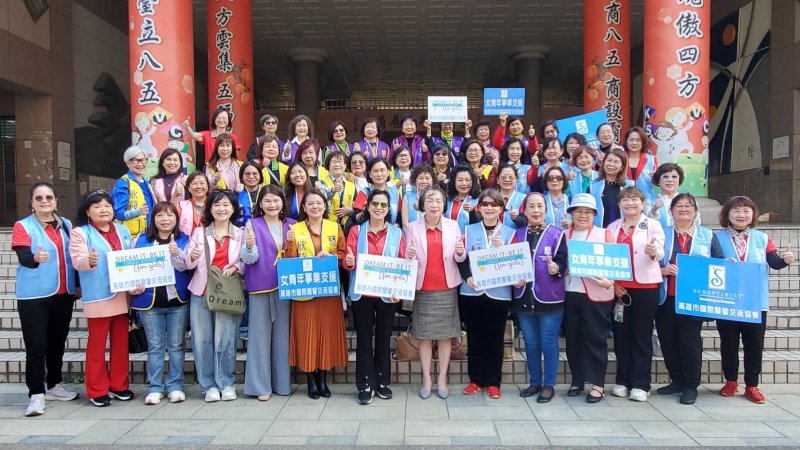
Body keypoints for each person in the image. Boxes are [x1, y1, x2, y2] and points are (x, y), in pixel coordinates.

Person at [715, 195, 794, 404]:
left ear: (753, 215)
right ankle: (731, 380)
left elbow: (774, 262)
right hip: (727, 301)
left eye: (746, 211)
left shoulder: (762, 238)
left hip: (755, 301)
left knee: (754, 344)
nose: (741, 215)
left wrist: (785, 260)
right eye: (736, 211)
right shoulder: (717, 237)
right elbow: (709, 265)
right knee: (728, 343)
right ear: (727, 215)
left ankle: (752, 385)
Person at [12, 182, 79, 416]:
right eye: (39, 198)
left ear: (56, 200)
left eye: (49, 197)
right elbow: (23, 256)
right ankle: (36, 394)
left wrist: (78, 285)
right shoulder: (23, 226)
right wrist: (34, 258)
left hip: (63, 293)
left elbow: (73, 257)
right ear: (32, 202)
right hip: (34, 296)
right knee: (36, 346)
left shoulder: (67, 225)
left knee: (57, 343)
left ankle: (54, 384)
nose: (44, 201)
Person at [69, 190, 136, 407]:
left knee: (120, 342)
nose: (104, 209)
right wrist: (87, 259)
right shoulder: (81, 233)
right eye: (97, 206)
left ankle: (119, 384)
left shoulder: (123, 230)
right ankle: (97, 389)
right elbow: (77, 261)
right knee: (97, 344)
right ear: (87, 211)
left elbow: (132, 258)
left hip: (123, 294)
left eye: (107, 205)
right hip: (98, 294)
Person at [656, 193, 722, 405]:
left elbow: (718, 264)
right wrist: (662, 269)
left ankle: (691, 385)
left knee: (690, 342)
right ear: (671, 211)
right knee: (667, 340)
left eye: (688, 206)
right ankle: (677, 379)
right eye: (678, 206)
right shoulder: (662, 234)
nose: (683, 209)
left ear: (695, 211)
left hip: (693, 299)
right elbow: (647, 261)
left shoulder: (708, 236)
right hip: (666, 296)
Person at [284, 189, 348, 399]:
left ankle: (323, 378)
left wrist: (331, 255)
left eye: (319, 203)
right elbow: (289, 261)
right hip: (304, 292)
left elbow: (344, 254)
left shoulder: (334, 226)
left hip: (327, 291)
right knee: (307, 334)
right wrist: (290, 243)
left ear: (325, 206)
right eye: (310, 203)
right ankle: (310, 380)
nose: (315, 207)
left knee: (326, 334)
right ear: (303, 207)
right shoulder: (295, 228)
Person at [344, 190, 406, 405]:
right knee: (363, 338)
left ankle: (382, 381)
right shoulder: (355, 231)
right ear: (368, 206)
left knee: (383, 336)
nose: (379, 208)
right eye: (375, 204)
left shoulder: (397, 234)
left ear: (389, 209)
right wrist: (349, 261)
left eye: (383, 205)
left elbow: (402, 263)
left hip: (387, 295)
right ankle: (365, 383)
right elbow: (347, 262)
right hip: (362, 293)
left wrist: (401, 287)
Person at [405, 186, 466, 399]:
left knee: (445, 338)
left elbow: (459, 257)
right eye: (430, 200)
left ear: (444, 205)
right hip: (423, 288)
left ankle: (442, 380)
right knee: (424, 337)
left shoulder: (453, 225)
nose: (434, 204)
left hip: (447, 288)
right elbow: (408, 258)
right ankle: (426, 380)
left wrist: (460, 252)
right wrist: (409, 255)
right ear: (422, 204)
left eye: (439, 201)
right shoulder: (413, 227)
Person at [184, 189, 245, 402]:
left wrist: (237, 267)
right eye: (217, 205)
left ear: (233, 209)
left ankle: (226, 382)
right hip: (202, 291)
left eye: (226, 205)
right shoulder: (198, 233)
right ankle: (208, 386)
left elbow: (246, 260)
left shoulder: (240, 233)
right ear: (210, 208)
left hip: (227, 291)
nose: (222, 209)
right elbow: (187, 263)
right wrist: (191, 256)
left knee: (226, 339)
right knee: (202, 340)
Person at [130, 202, 192, 405]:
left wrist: (176, 253)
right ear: (153, 218)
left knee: (176, 346)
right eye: (160, 215)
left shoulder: (185, 239)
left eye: (170, 215)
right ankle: (155, 387)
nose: (165, 219)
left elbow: (189, 267)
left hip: (178, 301)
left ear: (176, 219)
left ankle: (175, 385)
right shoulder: (140, 240)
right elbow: (130, 268)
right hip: (149, 302)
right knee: (155, 346)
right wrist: (132, 287)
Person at [607, 186, 665, 402]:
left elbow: (660, 251)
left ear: (643, 203)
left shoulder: (653, 225)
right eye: (625, 200)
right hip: (619, 289)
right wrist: (612, 284)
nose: (630, 203)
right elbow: (606, 259)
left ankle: (641, 384)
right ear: (620, 204)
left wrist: (654, 252)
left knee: (641, 336)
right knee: (621, 336)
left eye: (634, 200)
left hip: (646, 288)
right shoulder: (612, 228)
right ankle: (623, 379)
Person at [458, 189, 517, 399]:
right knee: (475, 336)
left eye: (494, 205)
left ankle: (493, 382)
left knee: (495, 337)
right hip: (472, 291)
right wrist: (467, 277)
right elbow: (461, 258)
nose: (489, 208)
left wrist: (503, 250)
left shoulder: (510, 233)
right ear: (479, 208)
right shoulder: (468, 229)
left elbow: (516, 264)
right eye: (485, 204)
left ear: (501, 208)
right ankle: (475, 379)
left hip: (499, 294)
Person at [240, 185, 295, 401]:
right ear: (260, 204)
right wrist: (249, 246)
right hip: (260, 285)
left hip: (286, 285)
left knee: (282, 337)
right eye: (267, 201)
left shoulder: (292, 225)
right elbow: (248, 258)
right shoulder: (252, 224)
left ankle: (282, 384)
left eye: (276, 201)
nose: (272, 205)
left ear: (283, 202)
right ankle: (260, 386)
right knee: (259, 336)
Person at [512, 192, 568, 403]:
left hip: (550, 298)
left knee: (548, 342)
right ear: (524, 211)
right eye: (531, 207)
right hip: (524, 296)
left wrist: (557, 267)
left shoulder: (557, 234)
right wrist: (513, 279)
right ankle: (535, 381)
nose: (536, 210)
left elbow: (564, 262)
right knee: (531, 343)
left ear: (546, 209)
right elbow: (510, 264)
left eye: (539, 206)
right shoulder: (517, 234)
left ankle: (549, 385)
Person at [561, 193, 616, 403]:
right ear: (571, 213)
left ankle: (598, 383)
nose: (582, 215)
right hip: (570, 293)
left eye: (587, 212)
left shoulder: (605, 234)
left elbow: (616, 264)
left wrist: (610, 282)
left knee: (595, 339)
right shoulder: (564, 234)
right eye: (578, 211)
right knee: (573, 339)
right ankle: (577, 379)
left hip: (597, 294)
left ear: (594, 214)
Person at [112, 145, 157, 240]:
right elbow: (118, 213)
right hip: (129, 237)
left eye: (143, 160)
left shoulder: (147, 183)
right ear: (128, 163)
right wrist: (138, 212)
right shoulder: (123, 183)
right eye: (136, 160)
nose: (140, 164)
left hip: (148, 235)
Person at [590, 148, 633, 227]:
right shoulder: (593, 185)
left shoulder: (628, 187)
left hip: (621, 232)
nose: (611, 164)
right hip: (599, 233)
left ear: (622, 167)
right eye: (609, 160)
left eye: (616, 162)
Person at [352, 158, 400, 226]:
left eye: (382, 170)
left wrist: (396, 226)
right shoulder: (364, 192)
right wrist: (363, 212)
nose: (379, 174)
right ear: (370, 174)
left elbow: (400, 215)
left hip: (390, 233)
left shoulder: (395, 192)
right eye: (375, 171)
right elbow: (354, 218)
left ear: (388, 173)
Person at [320, 151, 356, 229]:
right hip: (326, 226)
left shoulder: (352, 186)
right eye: (333, 162)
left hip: (347, 228)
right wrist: (332, 190)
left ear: (345, 165)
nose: (337, 165)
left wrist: (351, 210)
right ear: (328, 165)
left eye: (340, 162)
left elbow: (358, 207)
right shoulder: (322, 183)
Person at [624, 126, 658, 208]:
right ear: (626, 141)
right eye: (631, 140)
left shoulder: (651, 159)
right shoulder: (620, 158)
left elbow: (658, 182)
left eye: (638, 140)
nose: (634, 143)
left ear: (643, 142)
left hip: (646, 202)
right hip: (624, 201)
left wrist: (656, 177)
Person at [648, 163, 685, 229]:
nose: (670, 180)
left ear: (679, 181)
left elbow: (695, 223)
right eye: (665, 176)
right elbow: (647, 224)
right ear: (658, 180)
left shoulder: (686, 201)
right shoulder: (649, 201)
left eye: (674, 177)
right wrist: (654, 209)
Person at [445, 165, 480, 233]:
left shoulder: (478, 201)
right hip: (448, 241)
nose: (464, 183)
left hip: (469, 241)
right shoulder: (446, 201)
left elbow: (480, 225)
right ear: (453, 182)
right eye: (460, 180)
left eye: (467, 180)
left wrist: (472, 212)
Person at [400, 164, 435, 230]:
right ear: (415, 180)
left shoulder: (437, 197)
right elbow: (405, 223)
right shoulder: (407, 197)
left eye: (427, 178)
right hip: (411, 235)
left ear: (432, 180)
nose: (424, 181)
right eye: (420, 178)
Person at [176, 171, 210, 236]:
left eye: (202, 183)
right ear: (188, 188)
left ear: (208, 186)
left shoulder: (214, 205)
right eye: (195, 183)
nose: (199, 186)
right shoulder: (181, 206)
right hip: (186, 243)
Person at [236, 160, 263, 227]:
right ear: (242, 176)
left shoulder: (266, 193)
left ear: (260, 176)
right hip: (241, 232)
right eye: (247, 174)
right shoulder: (236, 194)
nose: (251, 177)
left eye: (255, 173)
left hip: (263, 232)